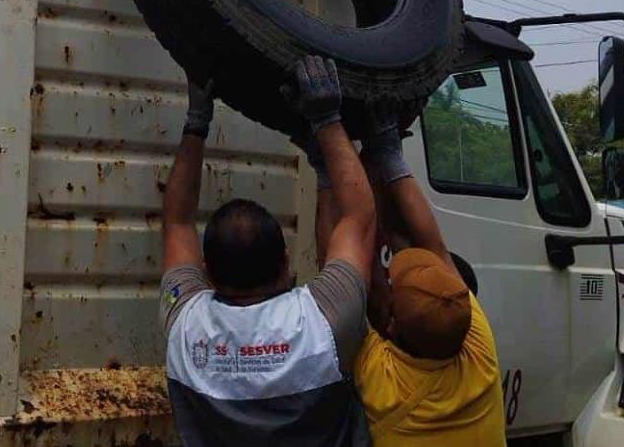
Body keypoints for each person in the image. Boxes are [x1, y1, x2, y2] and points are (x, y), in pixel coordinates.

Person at [160, 56, 375, 446]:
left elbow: (176, 223)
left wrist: (197, 120)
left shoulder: (186, 324)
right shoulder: (322, 322)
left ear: (206, 271)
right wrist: (327, 120)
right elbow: (358, 217)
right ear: (285, 264)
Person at [307, 105, 506, 447]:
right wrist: (385, 157)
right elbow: (434, 248)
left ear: (393, 326)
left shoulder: (386, 384)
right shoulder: (478, 352)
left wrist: (348, 161)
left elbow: (337, 275)